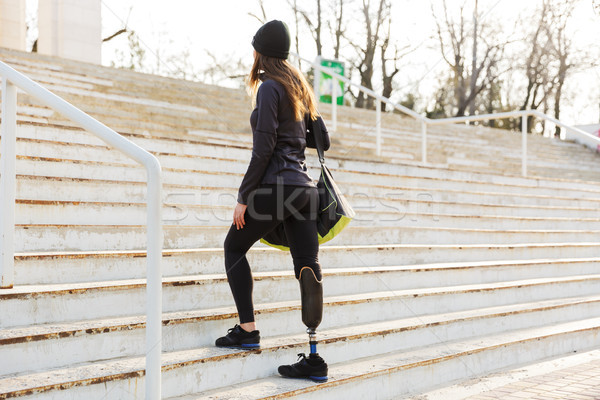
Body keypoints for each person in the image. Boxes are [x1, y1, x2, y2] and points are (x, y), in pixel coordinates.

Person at [215, 19, 331, 382]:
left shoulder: (268, 88)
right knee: (307, 267)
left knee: (233, 248)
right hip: (306, 191)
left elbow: (263, 147)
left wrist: (244, 197)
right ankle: (314, 358)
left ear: (260, 52)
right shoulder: (299, 88)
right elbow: (323, 141)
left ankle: (247, 331)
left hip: (276, 189)